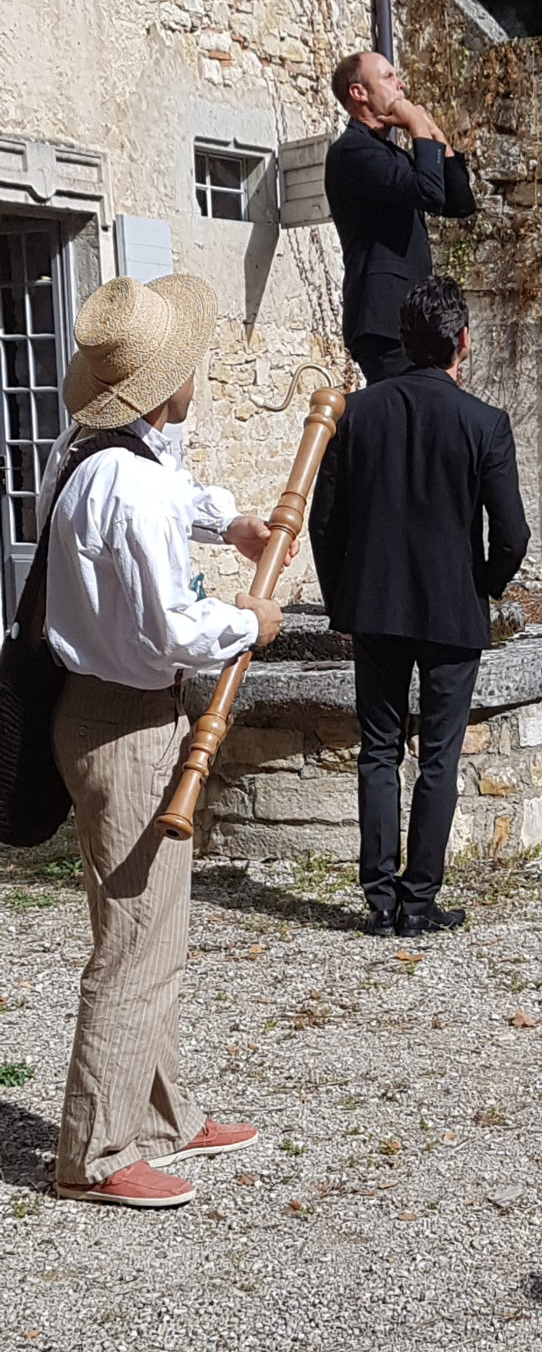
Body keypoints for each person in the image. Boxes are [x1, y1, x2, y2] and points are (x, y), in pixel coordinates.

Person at [44, 274, 284, 1209]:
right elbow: (179, 628)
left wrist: (232, 522)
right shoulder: (125, 486)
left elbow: (172, 495)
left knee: (155, 929)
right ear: (159, 386)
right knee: (136, 937)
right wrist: (253, 621)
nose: (195, 377)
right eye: (183, 368)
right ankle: (96, 1153)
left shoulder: (99, 455)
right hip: (123, 722)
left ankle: (164, 1113)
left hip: (109, 712)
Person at [309, 276, 530, 937]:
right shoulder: (484, 422)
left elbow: (324, 524)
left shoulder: (358, 414)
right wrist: (483, 583)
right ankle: (418, 900)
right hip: (451, 607)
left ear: (404, 343)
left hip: (374, 606)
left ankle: (379, 900)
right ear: (461, 341)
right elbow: (512, 534)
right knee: (439, 756)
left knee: (378, 751)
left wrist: (341, 603)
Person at [324, 50, 477, 384]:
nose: (401, 85)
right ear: (359, 93)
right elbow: (428, 192)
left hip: (415, 317)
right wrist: (416, 126)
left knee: (428, 416)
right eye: (389, 77)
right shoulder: (352, 152)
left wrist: (435, 134)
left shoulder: (388, 153)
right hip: (384, 320)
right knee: (407, 417)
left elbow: (458, 203)